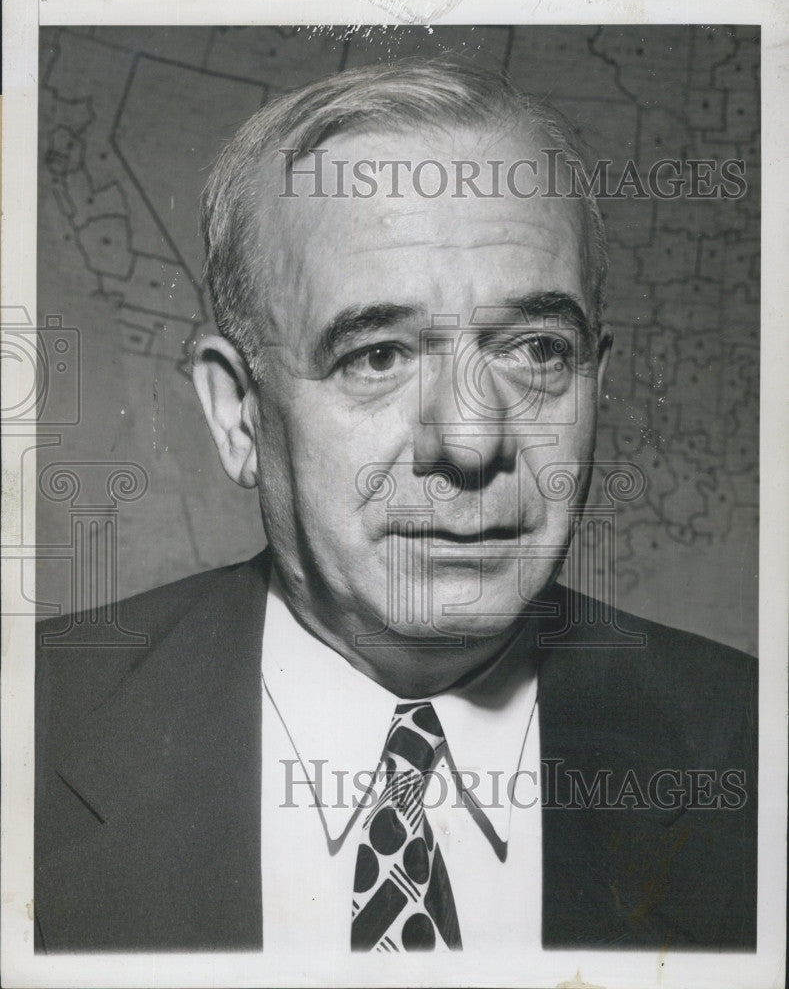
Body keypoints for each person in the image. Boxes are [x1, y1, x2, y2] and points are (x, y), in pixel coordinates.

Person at [35, 59, 756, 955]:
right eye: (376, 356)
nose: (468, 442)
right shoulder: (27, 735)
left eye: (534, 350)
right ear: (237, 415)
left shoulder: (755, 755)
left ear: (595, 385)